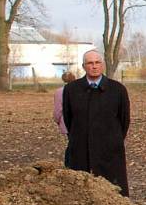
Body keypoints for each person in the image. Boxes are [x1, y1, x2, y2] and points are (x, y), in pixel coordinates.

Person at [63, 49, 131, 197]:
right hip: (80, 147)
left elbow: (124, 120)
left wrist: (113, 139)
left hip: (110, 149)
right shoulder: (71, 90)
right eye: (90, 63)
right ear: (83, 66)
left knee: (113, 191)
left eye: (97, 62)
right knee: (81, 191)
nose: (94, 66)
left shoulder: (118, 90)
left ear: (103, 65)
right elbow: (68, 119)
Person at [53, 70, 76, 167]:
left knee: (72, 143)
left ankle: (69, 164)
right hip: (78, 121)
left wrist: (57, 120)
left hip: (66, 122)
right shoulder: (79, 90)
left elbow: (58, 110)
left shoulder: (59, 92)